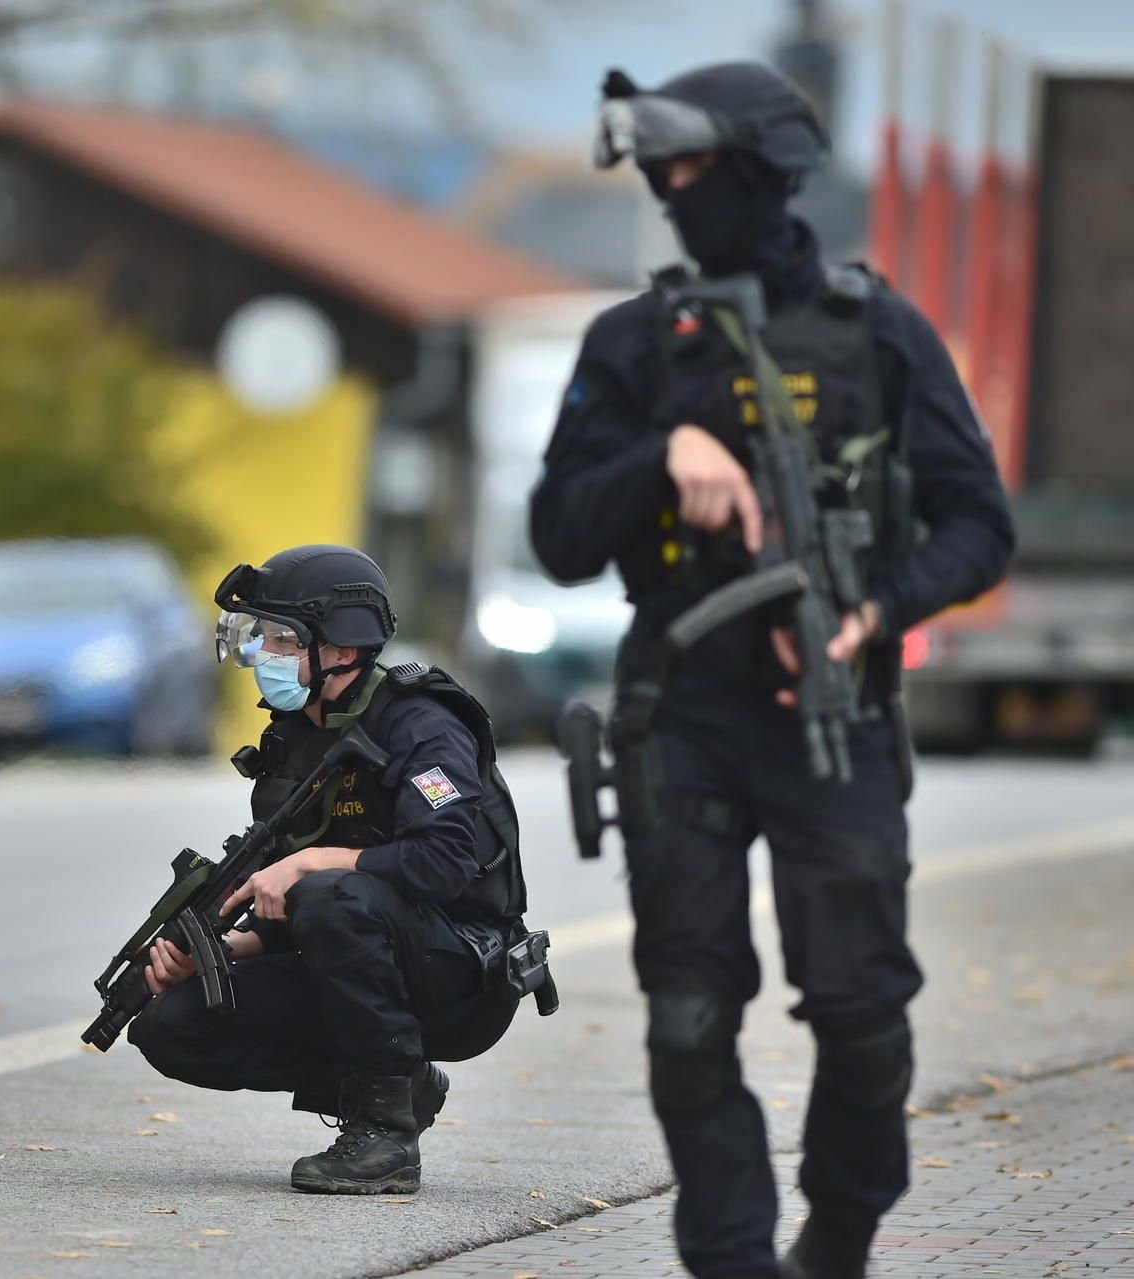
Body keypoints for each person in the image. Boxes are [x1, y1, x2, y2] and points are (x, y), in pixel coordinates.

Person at [532, 62, 1015, 1279]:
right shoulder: (634, 342)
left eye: (690, 169)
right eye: (658, 173)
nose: (668, 191)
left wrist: (873, 609)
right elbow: (558, 535)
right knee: (689, 1014)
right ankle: (735, 1263)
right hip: (679, 710)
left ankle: (839, 1238)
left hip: (833, 710)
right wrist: (663, 452)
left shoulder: (878, 331)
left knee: (862, 1018)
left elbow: (978, 526)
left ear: (758, 171)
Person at [127, 544, 539, 1195]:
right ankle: (397, 1082)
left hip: (461, 971)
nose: (264, 652)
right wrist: (223, 946)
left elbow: (443, 860)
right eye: (259, 635)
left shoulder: (423, 727)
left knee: (328, 891)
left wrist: (313, 860)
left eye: (281, 637)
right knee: (171, 1024)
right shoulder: (296, 737)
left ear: (342, 648)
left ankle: (385, 1135)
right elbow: (300, 909)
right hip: (359, 950)